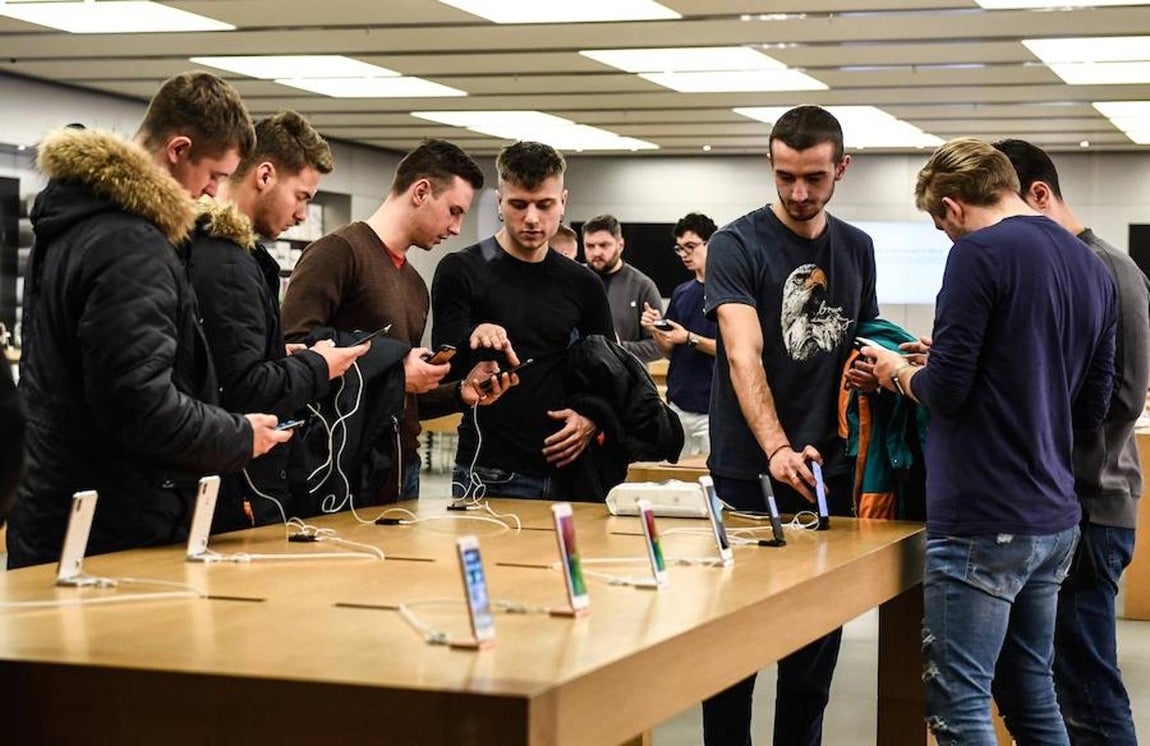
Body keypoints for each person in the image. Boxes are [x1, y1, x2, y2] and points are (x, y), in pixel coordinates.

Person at [866, 137, 1116, 745]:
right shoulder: (1091, 265)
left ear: (950, 207)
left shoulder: (977, 254)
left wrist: (896, 373)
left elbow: (947, 391)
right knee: (1033, 696)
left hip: (983, 517)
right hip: (1053, 518)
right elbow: (1092, 405)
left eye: (939, 224)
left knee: (959, 706)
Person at [7, 72, 291, 569]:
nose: (212, 193)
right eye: (216, 174)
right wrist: (239, 436)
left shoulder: (79, 221)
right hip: (110, 525)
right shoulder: (130, 244)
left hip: (66, 506)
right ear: (178, 149)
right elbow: (137, 404)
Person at [703, 105, 878, 745]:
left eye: (813, 178)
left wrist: (879, 367)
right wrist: (775, 445)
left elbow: (863, 342)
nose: (799, 193)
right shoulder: (737, 243)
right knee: (731, 662)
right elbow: (744, 351)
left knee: (809, 671)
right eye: (784, 177)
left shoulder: (856, 248)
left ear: (841, 169)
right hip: (748, 478)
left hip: (826, 477)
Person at [995, 137, 1146, 745]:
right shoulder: (1054, 266)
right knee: (1052, 684)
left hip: (1090, 508)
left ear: (1038, 195)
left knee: (1086, 686)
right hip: (1055, 508)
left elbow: (1121, 398)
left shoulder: (1109, 269)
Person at [281, 139, 507, 503]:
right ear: (421, 191)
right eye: (453, 211)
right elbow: (295, 347)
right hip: (341, 468)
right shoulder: (337, 253)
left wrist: (459, 393)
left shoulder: (415, 285)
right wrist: (395, 369)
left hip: (402, 467)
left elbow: (401, 394)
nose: (455, 228)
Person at [186, 111, 369, 529]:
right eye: (301, 196)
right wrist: (318, 366)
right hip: (233, 483)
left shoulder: (226, 256)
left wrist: (276, 353)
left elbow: (218, 360)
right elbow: (243, 388)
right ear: (264, 176)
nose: (303, 214)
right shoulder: (228, 264)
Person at [431, 141, 615, 500]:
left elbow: (609, 372)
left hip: (571, 470)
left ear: (563, 201)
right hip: (490, 469)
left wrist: (591, 419)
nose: (532, 218)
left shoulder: (584, 283)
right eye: (518, 204)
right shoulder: (461, 270)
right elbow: (444, 364)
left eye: (545, 205)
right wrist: (474, 335)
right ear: (499, 202)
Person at [640, 212, 718, 456]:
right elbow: (671, 352)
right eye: (680, 248)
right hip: (679, 406)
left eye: (691, 247)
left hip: (712, 410)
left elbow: (732, 349)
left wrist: (689, 338)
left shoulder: (729, 292)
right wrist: (655, 331)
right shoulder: (682, 292)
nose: (684, 254)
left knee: (713, 486)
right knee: (680, 484)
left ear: (711, 243)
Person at [582, 214, 664, 361]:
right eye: (590, 246)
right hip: (578, 378)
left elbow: (658, 346)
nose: (596, 252)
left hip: (625, 380)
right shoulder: (574, 280)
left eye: (604, 245)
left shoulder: (642, 286)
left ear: (620, 245)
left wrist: (617, 347)